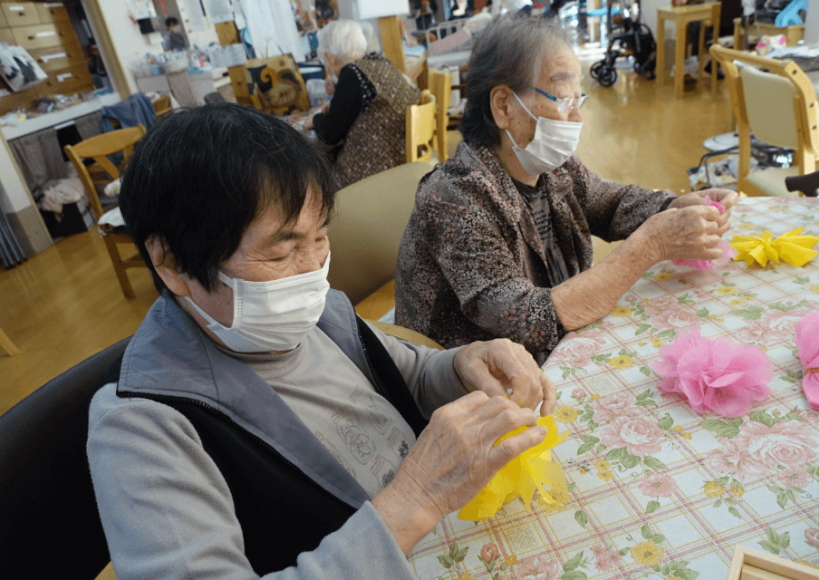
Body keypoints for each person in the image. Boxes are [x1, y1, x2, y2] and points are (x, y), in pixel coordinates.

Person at [88, 103, 557, 579]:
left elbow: (407, 373)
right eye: (283, 251)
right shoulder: (140, 424)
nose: (313, 271)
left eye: (320, 238)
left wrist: (465, 365)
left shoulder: (316, 313)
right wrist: (416, 499)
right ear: (171, 264)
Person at [395, 16, 738, 365]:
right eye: (563, 101)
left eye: (579, 100)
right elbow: (527, 320)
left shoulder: (551, 168)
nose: (578, 119)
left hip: (557, 353)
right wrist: (650, 245)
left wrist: (674, 203)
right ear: (503, 106)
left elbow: (613, 203)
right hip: (482, 387)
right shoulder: (455, 198)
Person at [303, 20, 419, 188]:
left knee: (309, 170)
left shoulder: (352, 73)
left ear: (329, 57)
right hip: (399, 157)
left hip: (373, 171)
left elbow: (330, 133)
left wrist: (314, 119)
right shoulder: (379, 63)